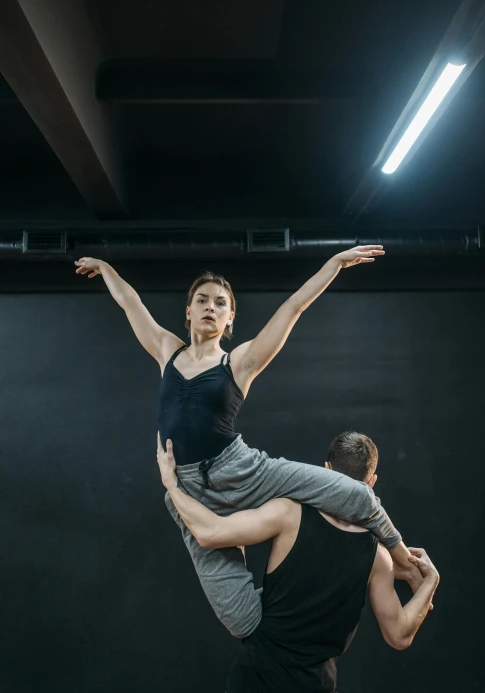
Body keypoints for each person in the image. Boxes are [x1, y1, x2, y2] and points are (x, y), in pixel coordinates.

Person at [74, 249, 421, 638]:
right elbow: (130, 303)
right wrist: (106, 269)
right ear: (188, 311)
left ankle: (400, 555)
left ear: (229, 318)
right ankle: (308, 602)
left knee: (353, 493)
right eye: (201, 300)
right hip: (188, 492)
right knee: (242, 623)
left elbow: (292, 308)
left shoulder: (238, 362)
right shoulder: (167, 351)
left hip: (242, 471)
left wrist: (334, 265)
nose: (210, 307)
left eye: (220, 303)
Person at [157, 430, 439, 693]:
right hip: (315, 683)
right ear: (372, 482)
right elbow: (400, 636)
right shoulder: (378, 557)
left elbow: (211, 533)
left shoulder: (288, 513)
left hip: (257, 675)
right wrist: (430, 581)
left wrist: (173, 485)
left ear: (326, 470)